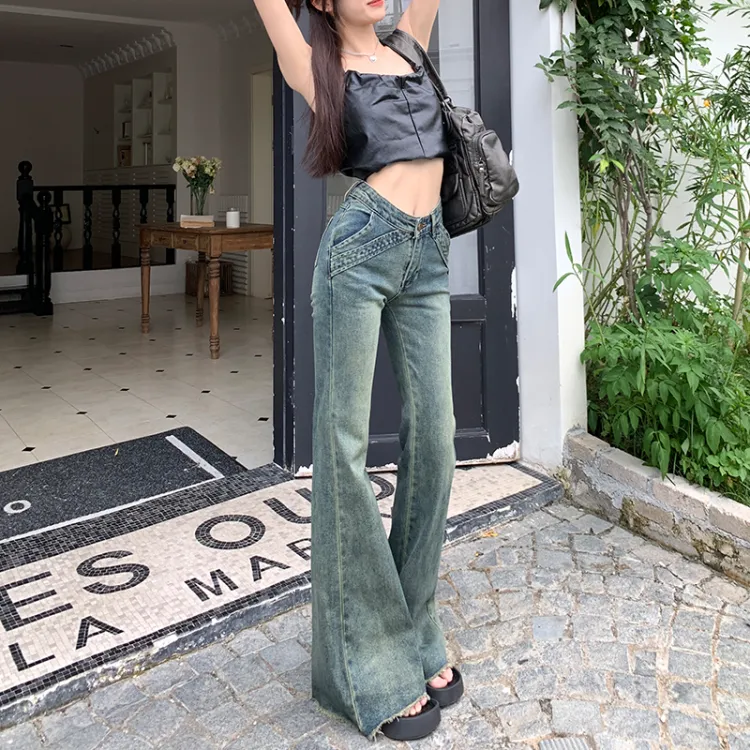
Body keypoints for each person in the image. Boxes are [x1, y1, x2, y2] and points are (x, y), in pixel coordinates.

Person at [253, 0, 464, 740]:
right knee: (343, 449)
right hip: (361, 251)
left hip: (428, 252)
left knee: (436, 440)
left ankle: (415, 629)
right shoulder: (317, 66)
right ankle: (368, 668)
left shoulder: (409, 46)